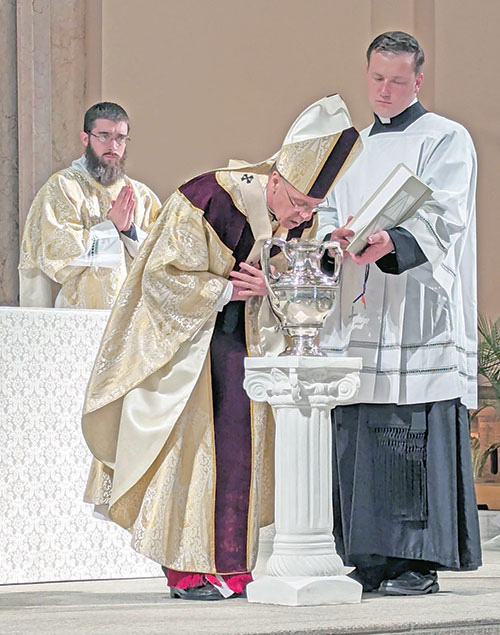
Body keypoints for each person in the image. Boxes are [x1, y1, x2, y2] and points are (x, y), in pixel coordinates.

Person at [81, 95, 361, 600]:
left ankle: (233, 564)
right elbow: (161, 278)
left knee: (245, 454)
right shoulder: (206, 197)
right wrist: (228, 289)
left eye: (311, 209)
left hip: (249, 346)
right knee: (195, 454)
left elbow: (284, 276)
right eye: (298, 203)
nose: (300, 216)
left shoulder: (297, 217)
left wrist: (321, 254)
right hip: (190, 345)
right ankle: (185, 568)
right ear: (275, 179)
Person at [318, 31, 481, 595]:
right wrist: (335, 238)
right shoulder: (351, 146)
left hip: (416, 309)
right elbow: (327, 213)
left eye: (397, 80)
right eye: (377, 78)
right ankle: (366, 556)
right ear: (366, 75)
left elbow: (447, 214)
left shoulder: (446, 139)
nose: (385, 91)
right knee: (362, 428)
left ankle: (416, 561)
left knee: (410, 430)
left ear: (418, 79)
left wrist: (391, 241)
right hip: (361, 310)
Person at [19, 102, 161, 309]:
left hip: (130, 314)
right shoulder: (63, 187)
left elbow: (159, 257)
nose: (113, 146)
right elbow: (56, 253)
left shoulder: (142, 195)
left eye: (120, 138)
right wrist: (111, 229)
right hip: (79, 313)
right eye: (104, 136)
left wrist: (129, 230)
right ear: (85, 138)